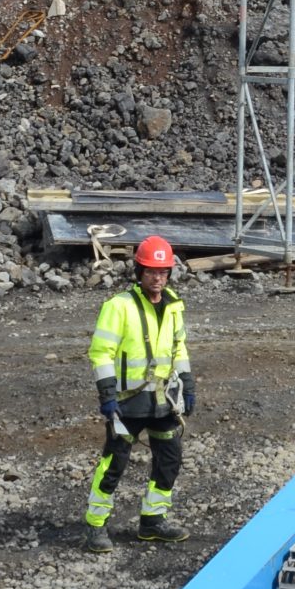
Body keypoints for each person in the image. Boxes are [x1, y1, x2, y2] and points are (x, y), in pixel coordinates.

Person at [84, 234, 195, 552]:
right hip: (126, 402)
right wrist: (107, 395)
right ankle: (96, 524)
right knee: (114, 463)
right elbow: (101, 352)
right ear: (139, 272)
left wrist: (188, 384)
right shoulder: (119, 307)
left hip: (162, 400)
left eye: (162, 272)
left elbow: (179, 349)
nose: (157, 278)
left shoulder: (173, 306)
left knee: (169, 460)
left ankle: (153, 521)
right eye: (151, 272)